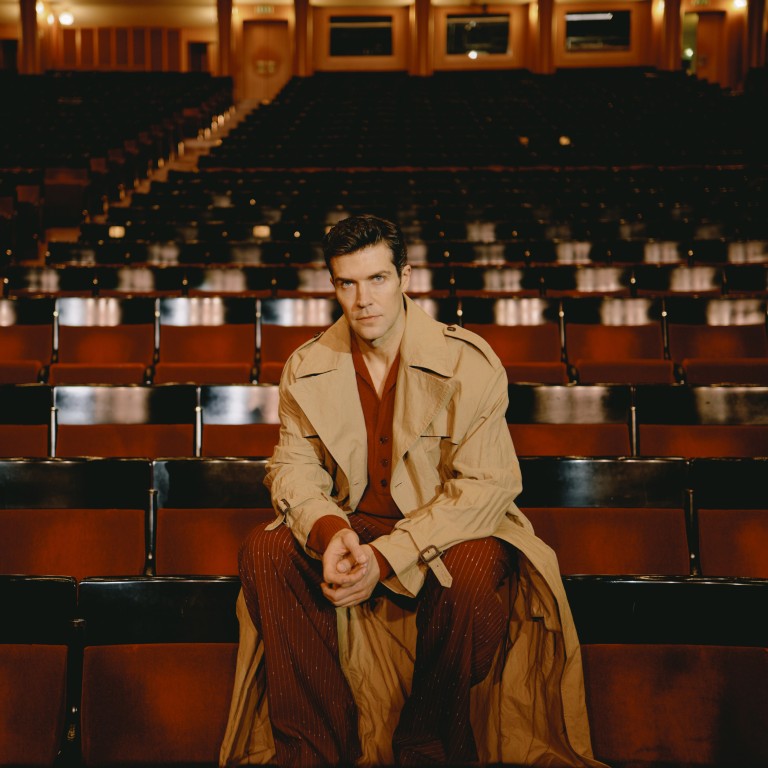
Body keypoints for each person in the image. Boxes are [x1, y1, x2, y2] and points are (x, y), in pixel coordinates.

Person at [220, 214, 605, 768]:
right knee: (267, 547)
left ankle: (425, 744)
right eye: (347, 283)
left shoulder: (467, 362)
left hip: (450, 527)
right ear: (333, 286)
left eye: (377, 279)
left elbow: (485, 489)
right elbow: (293, 471)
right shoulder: (306, 367)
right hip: (356, 523)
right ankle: (311, 752)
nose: (363, 299)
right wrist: (331, 532)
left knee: (470, 574)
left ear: (405, 276)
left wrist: (386, 556)